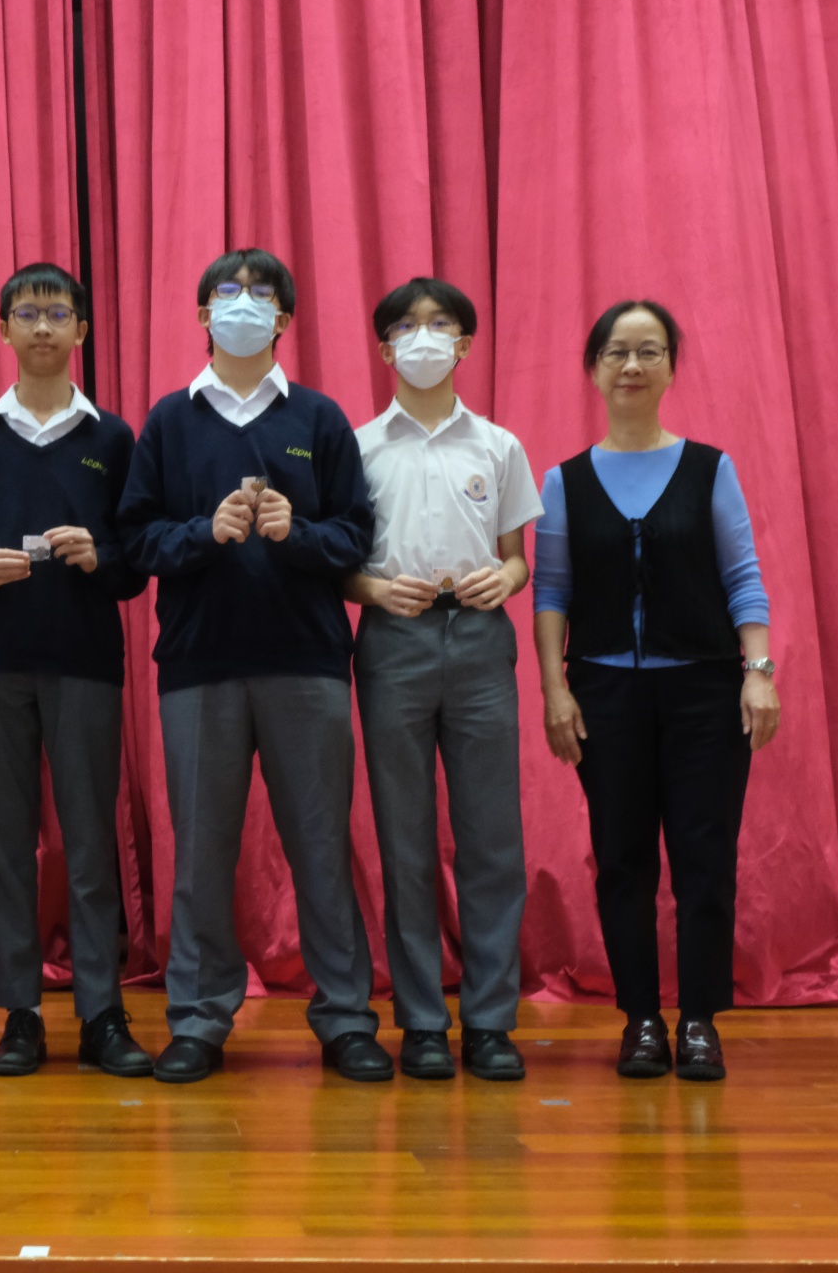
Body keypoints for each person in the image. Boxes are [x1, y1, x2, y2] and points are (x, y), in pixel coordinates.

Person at [117, 248, 386, 1084]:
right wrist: (206, 532)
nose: (242, 303)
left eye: (259, 293)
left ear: (284, 318)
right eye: (226, 293)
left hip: (307, 662)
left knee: (321, 847)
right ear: (202, 316)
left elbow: (355, 537)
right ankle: (199, 1019)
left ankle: (346, 1019)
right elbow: (137, 541)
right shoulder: (170, 420)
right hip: (199, 665)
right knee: (200, 854)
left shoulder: (320, 418)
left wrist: (291, 534)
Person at [533, 299, 779, 1082]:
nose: (632, 366)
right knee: (623, 859)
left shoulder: (710, 468)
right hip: (604, 694)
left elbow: (742, 576)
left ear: (671, 366)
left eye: (648, 351)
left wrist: (758, 674)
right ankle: (640, 1018)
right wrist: (554, 691)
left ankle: (700, 1019)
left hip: (706, 693)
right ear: (594, 369)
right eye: (616, 352)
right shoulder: (565, 481)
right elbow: (551, 594)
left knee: (705, 857)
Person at [0, 262, 153, 1078]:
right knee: (4, 842)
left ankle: (102, 1012)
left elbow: (135, 564)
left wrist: (99, 555)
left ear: (82, 331)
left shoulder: (113, 438)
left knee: (90, 839)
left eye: (57, 313)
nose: (42, 326)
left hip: (85, 662)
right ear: (3, 328)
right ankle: (20, 1013)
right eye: (27, 313)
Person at [346, 277, 543, 1082]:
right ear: (384, 348)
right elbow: (338, 563)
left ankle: (490, 1021)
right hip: (393, 640)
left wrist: (508, 577)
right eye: (405, 326)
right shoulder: (357, 447)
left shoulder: (498, 446)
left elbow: (517, 557)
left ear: (464, 344)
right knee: (405, 839)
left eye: (439, 324)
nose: (422, 337)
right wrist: (371, 590)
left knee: (492, 837)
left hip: (480, 641)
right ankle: (422, 1020)